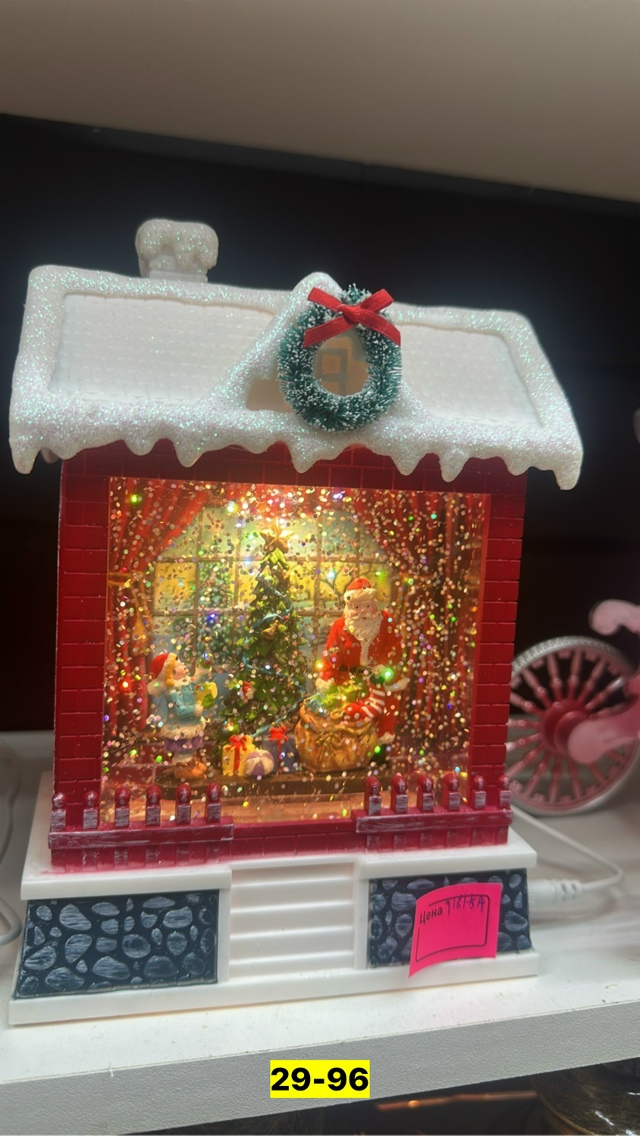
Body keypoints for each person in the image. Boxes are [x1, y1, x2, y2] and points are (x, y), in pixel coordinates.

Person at [317, 577, 405, 740]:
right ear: (349, 607)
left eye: (367, 606)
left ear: (374, 604)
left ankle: (379, 741)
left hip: (378, 678)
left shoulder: (386, 621)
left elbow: (395, 647)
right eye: (356, 607)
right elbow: (331, 653)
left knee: (384, 710)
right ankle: (348, 742)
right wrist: (328, 676)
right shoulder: (340, 625)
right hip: (349, 680)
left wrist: (383, 666)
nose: (362, 611)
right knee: (345, 714)